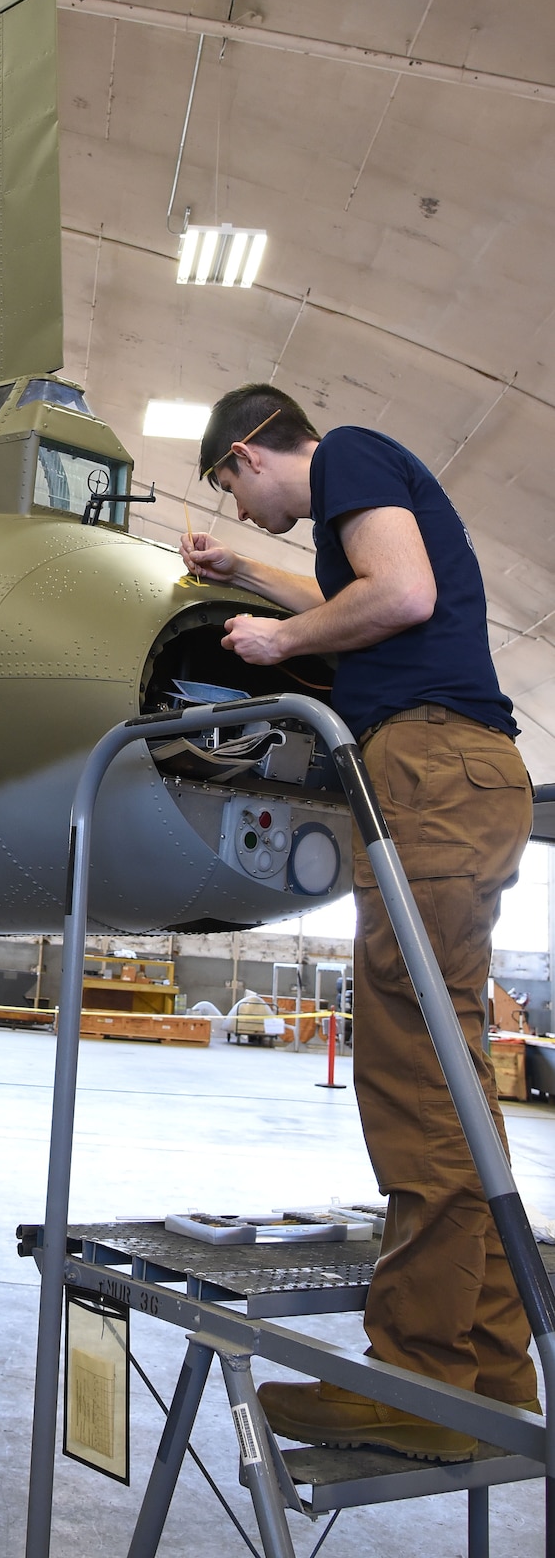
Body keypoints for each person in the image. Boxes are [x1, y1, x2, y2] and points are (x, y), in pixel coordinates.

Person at [181, 383, 535, 1463]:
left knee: (411, 1065)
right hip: (456, 769)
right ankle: (485, 1364)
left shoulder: (353, 458)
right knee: (453, 1069)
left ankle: (417, 1381)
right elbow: (361, 589)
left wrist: (280, 640)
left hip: (429, 765)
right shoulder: (352, 505)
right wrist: (251, 580)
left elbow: (398, 592)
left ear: (248, 451)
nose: (244, 514)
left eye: (233, 492)